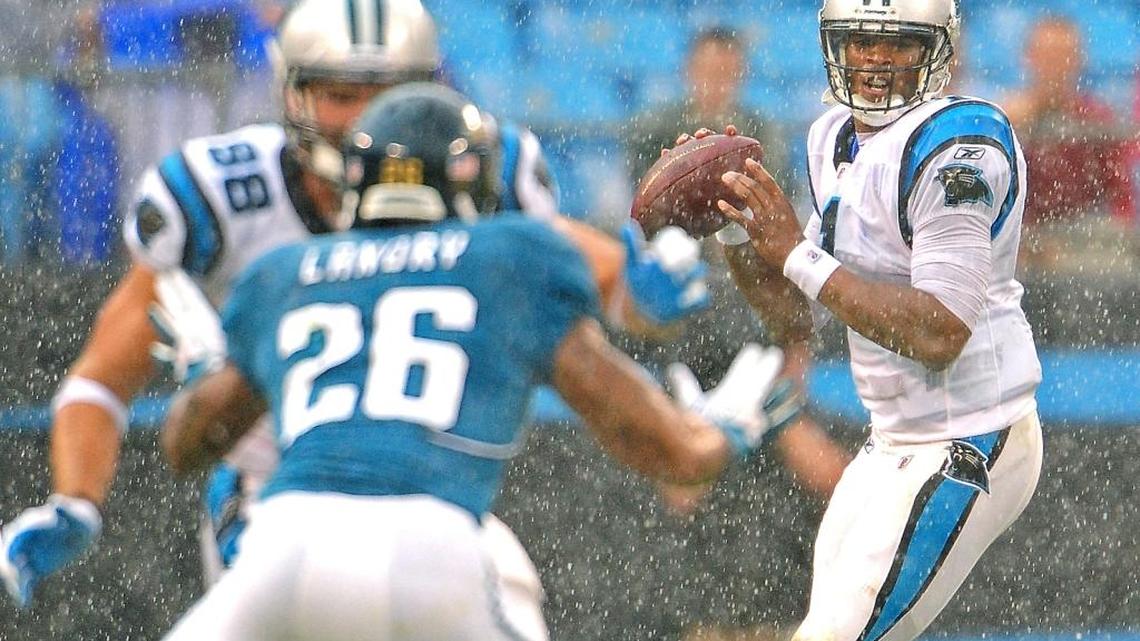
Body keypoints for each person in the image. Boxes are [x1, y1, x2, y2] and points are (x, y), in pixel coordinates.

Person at [0, 0, 708, 622]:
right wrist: (78, 498)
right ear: (292, 96)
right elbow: (102, 373)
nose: (371, 121)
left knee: (509, 584)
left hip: (427, 488)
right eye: (342, 94)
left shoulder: (474, 168)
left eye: (392, 94)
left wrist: (646, 291)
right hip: (271, 495)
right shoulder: (222, 193)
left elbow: (613, 280)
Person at [155, 82, 796, 641]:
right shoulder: (511, 256)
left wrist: (208, 371)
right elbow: (671, 454)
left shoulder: (284, 274)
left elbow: (185, 448)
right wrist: (726, 433)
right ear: (471, 180)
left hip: (280, 546)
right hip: (428, 549)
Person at [702, 2, 1044, 641]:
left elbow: (941, 332)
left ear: (936, 51)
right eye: (859, 40)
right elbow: (791, 315)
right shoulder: (830, 136)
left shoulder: (960, 147)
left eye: (897, 43)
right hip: (890, 440)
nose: (874, 59)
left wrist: (796, 255)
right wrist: (735, 232)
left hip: (970, 438)